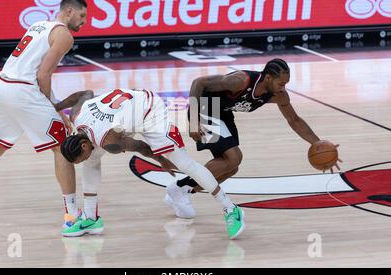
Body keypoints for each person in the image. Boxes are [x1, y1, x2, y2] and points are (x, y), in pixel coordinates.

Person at [0, 0, 88, 232]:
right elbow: (42, 75)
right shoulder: (64, 35)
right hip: (24, 91)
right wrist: (56, 109)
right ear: (68, 11)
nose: (84, 22)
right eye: (81, 16)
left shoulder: (38, 25)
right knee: (62, 147)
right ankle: (71, 216)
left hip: (3, 86)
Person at [56, 88, 245, 239]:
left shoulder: (110, 142)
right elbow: (85, 94)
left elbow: (140, 147)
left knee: (183, 163)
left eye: (82, 156)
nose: (84, 159)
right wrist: (57, 106)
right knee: (93, 159)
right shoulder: (77, 117)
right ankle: (90, 218)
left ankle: (230, 208)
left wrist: (161, 159)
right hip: (124, 110)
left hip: (149, 111)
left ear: (82, 144)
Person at [166, 58, 342, 218]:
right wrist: (194, 120)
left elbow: (294, 120)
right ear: (267, 78)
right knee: (233, 158)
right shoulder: (240, 81)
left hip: (223, 114)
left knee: (232, 167)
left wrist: (317, 143)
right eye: (281, 83)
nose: (283, 88)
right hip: (205, 107)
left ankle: (183, 190)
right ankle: (180, 189)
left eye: (286, 83)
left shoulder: (278, 95)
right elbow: (198, 83)